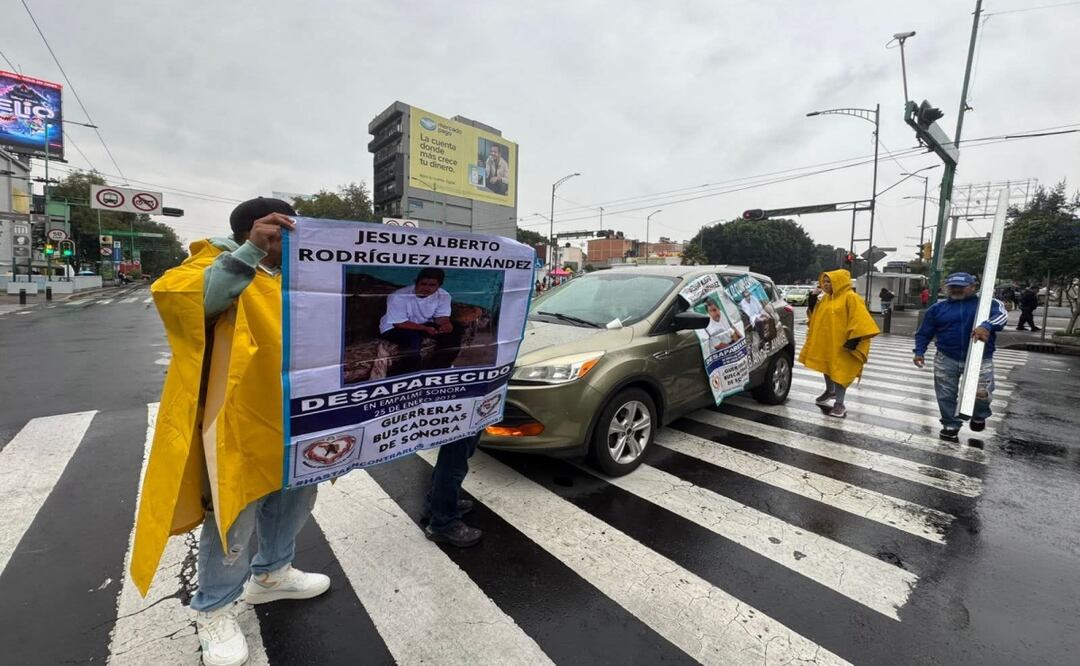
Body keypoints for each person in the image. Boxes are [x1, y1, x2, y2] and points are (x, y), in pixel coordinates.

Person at [131, 198, 330, 666]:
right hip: (239, 423)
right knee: (234, 516)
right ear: (252, 231)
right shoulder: (212, 262)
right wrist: (249, 254)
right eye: (279, 232)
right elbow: (194, 304)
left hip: (299, 418)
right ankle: (214, 608)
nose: (289, 242)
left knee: (296, 498)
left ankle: (272, 574)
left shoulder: (301, 276)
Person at [913, 272, 1008, 441]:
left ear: (972, 287)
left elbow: (1001, 316)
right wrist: (919, 351)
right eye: (952, 287)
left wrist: (986, 326)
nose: (956, 290)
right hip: (946, 357)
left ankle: (979, 414)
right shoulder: (937, 308)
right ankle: (950, 424)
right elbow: (924, 333)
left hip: (980, 358)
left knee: (982, 393)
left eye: (961, 287)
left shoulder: (986, 304)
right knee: (945, 394)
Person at [798, 269, 880, 418]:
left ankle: (839, 403)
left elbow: (861, 319)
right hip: (828, 343)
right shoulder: (826, 299)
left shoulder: (851, 297)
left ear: (839, 282)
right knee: (827, 367)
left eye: (829, 281)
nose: (826, 284)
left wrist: (854, 339)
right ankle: (830, 391)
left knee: (840, 373)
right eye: (824, 281)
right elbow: (816, 316)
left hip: (844, 345)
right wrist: (812, 301)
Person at [378, 267, 464, 376]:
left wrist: (445, 324)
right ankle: (407, 373)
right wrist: (425, 328)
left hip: (422, 324)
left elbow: (441, 317)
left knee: (454, 332)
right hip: (393, 328)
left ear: (439, 286)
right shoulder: (398, 296)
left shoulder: (444, 295)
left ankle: (438, 368)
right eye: (423, 284)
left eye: (432, 285)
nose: (427, 288)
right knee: (412, 339)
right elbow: (399, 323)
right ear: (416, 282)